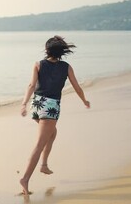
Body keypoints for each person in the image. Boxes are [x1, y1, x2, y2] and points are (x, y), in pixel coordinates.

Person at [19, 36, 90, 195]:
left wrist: (24, 104)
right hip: (50, 107)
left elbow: (31, 85)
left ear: (47, 50)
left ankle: (44, 165)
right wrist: (84, 100)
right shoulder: (66, 67)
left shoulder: (38, 64)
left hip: (37, 105)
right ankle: (25, 178)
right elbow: (77, 87)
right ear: (62, 52)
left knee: (52, 134)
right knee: (39, 145)